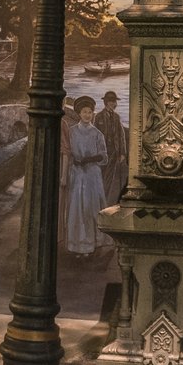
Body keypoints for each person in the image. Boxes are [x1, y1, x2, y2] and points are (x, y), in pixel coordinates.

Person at [62, 96, 108, 256]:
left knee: (90, 207)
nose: (87, 115)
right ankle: (77, 245)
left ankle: (91, 244)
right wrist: (75, 161)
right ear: (79, 113)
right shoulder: (72, 132)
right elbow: (67, 152)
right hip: (77, 174)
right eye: (84, 112)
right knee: (77, 208)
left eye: (90, 112)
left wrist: (89, 159)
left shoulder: (97, 134)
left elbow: (104, 156)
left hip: (92, 175)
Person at [97, 89, 129, 202]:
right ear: (106, 102)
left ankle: (105, 199)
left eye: (114, 102)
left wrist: (122, 153)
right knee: (101, 175)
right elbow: (95, 135)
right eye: (111, 102)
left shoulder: (116, 117)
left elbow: (121, 136)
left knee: (110, 178)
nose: (113, 104)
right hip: (102, 152)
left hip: (114, 152)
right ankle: (100, 198)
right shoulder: (99, 117)